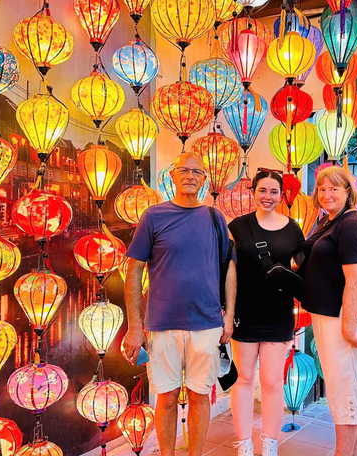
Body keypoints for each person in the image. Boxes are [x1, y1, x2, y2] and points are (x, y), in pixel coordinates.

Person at [121, 152, 236, 456]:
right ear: (171, 175)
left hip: (207, 324)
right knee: (167, 397)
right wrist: (135, 327)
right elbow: (134, 271)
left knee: (200, 396)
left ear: (204, 179)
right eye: (183, 170)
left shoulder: (215, 218)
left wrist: (229, 317)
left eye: (196, 172)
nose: (190, 176)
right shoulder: (153, 216)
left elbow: (230, 268)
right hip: (162, 324)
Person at [227, 170, 305, 456]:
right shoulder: (238, 226)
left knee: (272, 381)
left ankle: (270, 441)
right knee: (244, 379)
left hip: (279, 312)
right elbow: (227, 268)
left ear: (282, 195)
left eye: (274, 191)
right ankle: (244, 443)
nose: (268, 197)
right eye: (262, 190)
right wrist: (225, 310)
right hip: (244, 311)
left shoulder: (293, 228)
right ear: (253, 191)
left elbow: (302, 269)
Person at [301, 166, 357, 456]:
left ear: (347, 192)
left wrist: (348, 329)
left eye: (334, 188)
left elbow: (355, 282)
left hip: (341, 316)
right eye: (322, 189)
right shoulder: (330, 220)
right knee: (349, 388)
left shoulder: (351, 224)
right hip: (328, 314)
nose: (326, 194)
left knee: (341, 390)